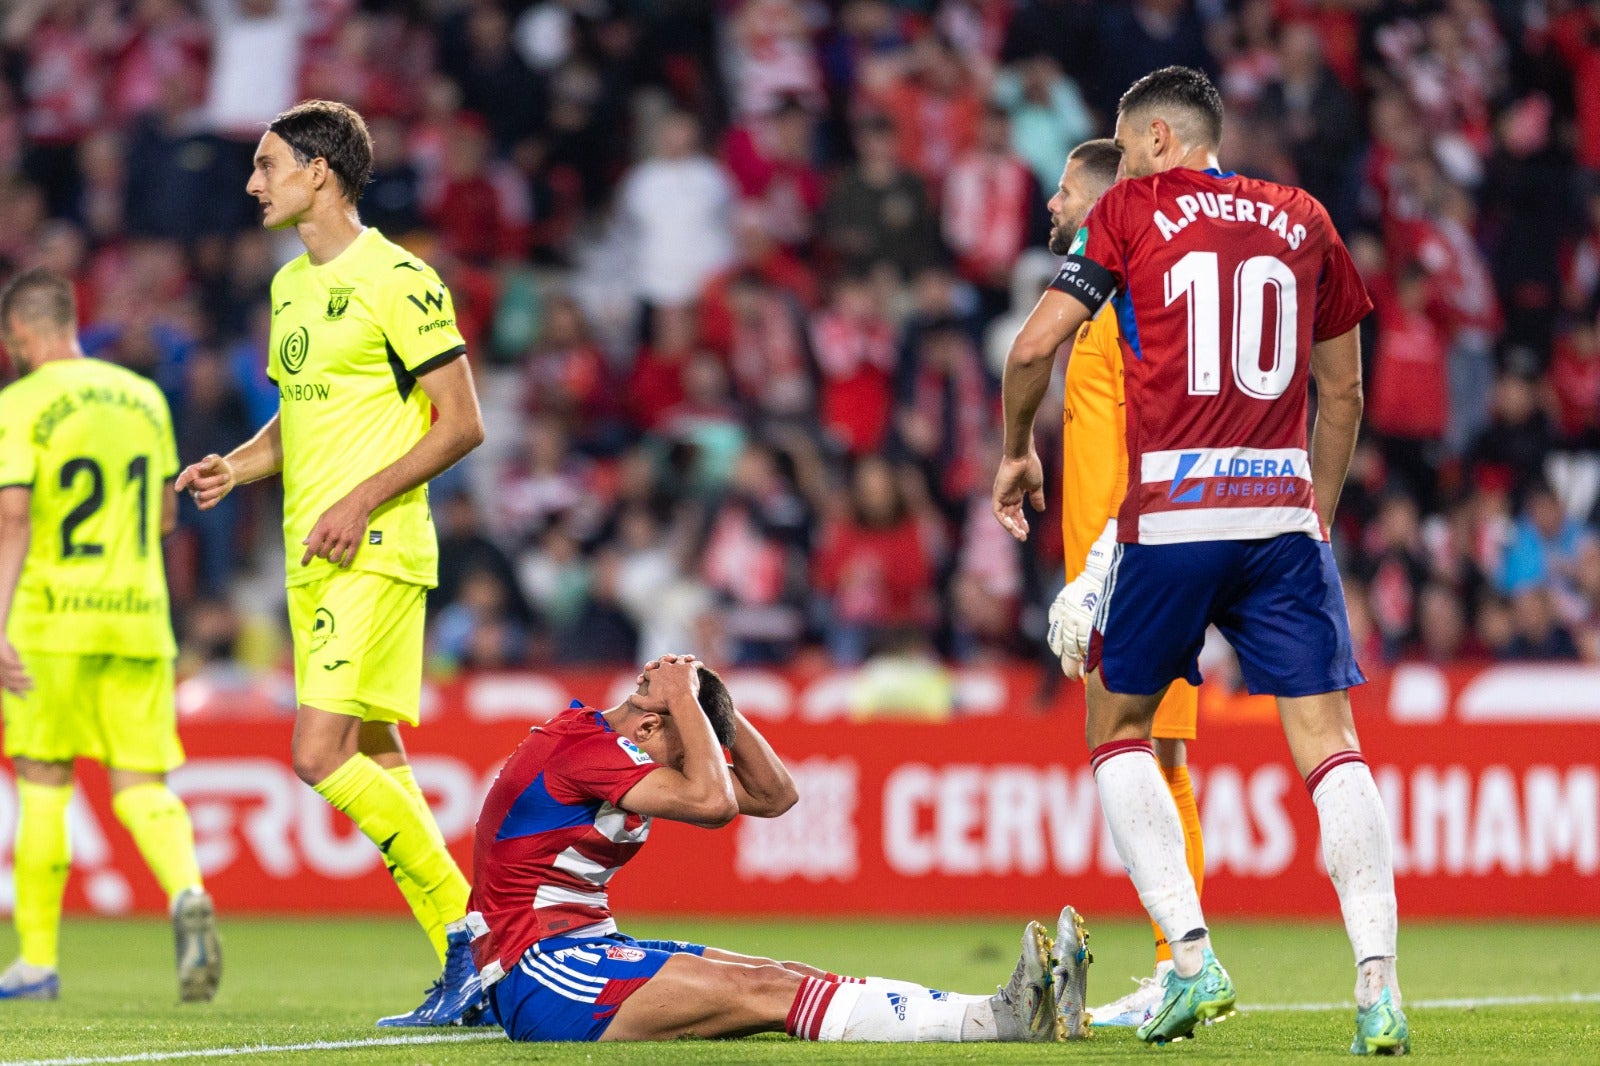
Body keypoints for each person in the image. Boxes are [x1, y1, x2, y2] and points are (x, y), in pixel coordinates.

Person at [992, 67, 1409, 1055]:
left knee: (1116, 727)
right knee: (1328, 741)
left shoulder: (1132, 208)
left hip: (1173, 510)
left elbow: (1029, 350)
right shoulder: (1303, 215)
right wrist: (1315, 513)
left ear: (1163, 142)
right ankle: (1380, 989)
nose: (1122, 164)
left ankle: (1188, 961)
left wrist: (1014, 450)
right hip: (1278, 512)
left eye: (1130, 147)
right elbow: (1342, 395)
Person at [174, 100, 486, 1027]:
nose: (252, 181)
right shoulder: (289, 288)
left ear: (321, 172)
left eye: (268, 164)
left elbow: (463, 423)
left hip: (378, 546)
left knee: (317, 756)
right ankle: (467, 967)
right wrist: (239, 462)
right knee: (378, 757)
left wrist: (359, 499)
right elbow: (299, 422)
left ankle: (482, 938)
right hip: (312, 556)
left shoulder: (401, 277)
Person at [468, 654, 1093, 1044]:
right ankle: (997, 1022)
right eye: (687, 752)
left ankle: (995, 1012)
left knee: (785, 977)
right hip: (543, 973)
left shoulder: (624, 748)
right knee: (764, 995)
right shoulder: (586, 750)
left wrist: (717, 710)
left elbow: (775, 796)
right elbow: (714, 803)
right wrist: (683, 697)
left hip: (586, 948)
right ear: (653, 728)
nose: (693, 769)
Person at [0, 269, 219, 1003]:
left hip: (48, 621)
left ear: (20, 335)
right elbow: (164, 519)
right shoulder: (144, 396)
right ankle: (186, 889)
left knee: (44, 780)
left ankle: (34, 962)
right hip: (138, 618)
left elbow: (12, 518)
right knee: (140, 785)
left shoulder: (20, 403)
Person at [1040, 138, 1208, 1029]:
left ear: (1105, 203)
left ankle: (1183, 961)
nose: (1052, 202)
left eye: (1067, 191)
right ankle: (1179, 958)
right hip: (1128, 564)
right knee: (1151, 757)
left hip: (1140, 563)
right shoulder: (1106, 301)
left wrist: (1109, 562)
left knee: (1155, 761)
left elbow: (1156, 440)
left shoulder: (1129, 307)